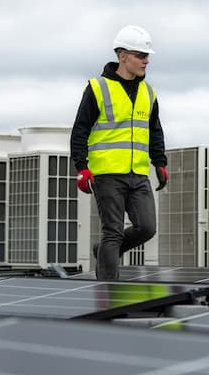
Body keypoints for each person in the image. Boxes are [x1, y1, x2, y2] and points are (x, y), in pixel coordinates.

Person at [70, 25, 168, 280]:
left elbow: (154, 129)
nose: (146, 61)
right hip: (107, 174)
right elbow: (79, 131)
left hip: (138, 173)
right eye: (140, 55)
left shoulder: (149, 92)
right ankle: (107, 294)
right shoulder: (97, 88)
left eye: (147, 56)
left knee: (147, 228)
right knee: (112, 232)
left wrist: (160, 162)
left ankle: (103, 252)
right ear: (122, 55)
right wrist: (81, 167)